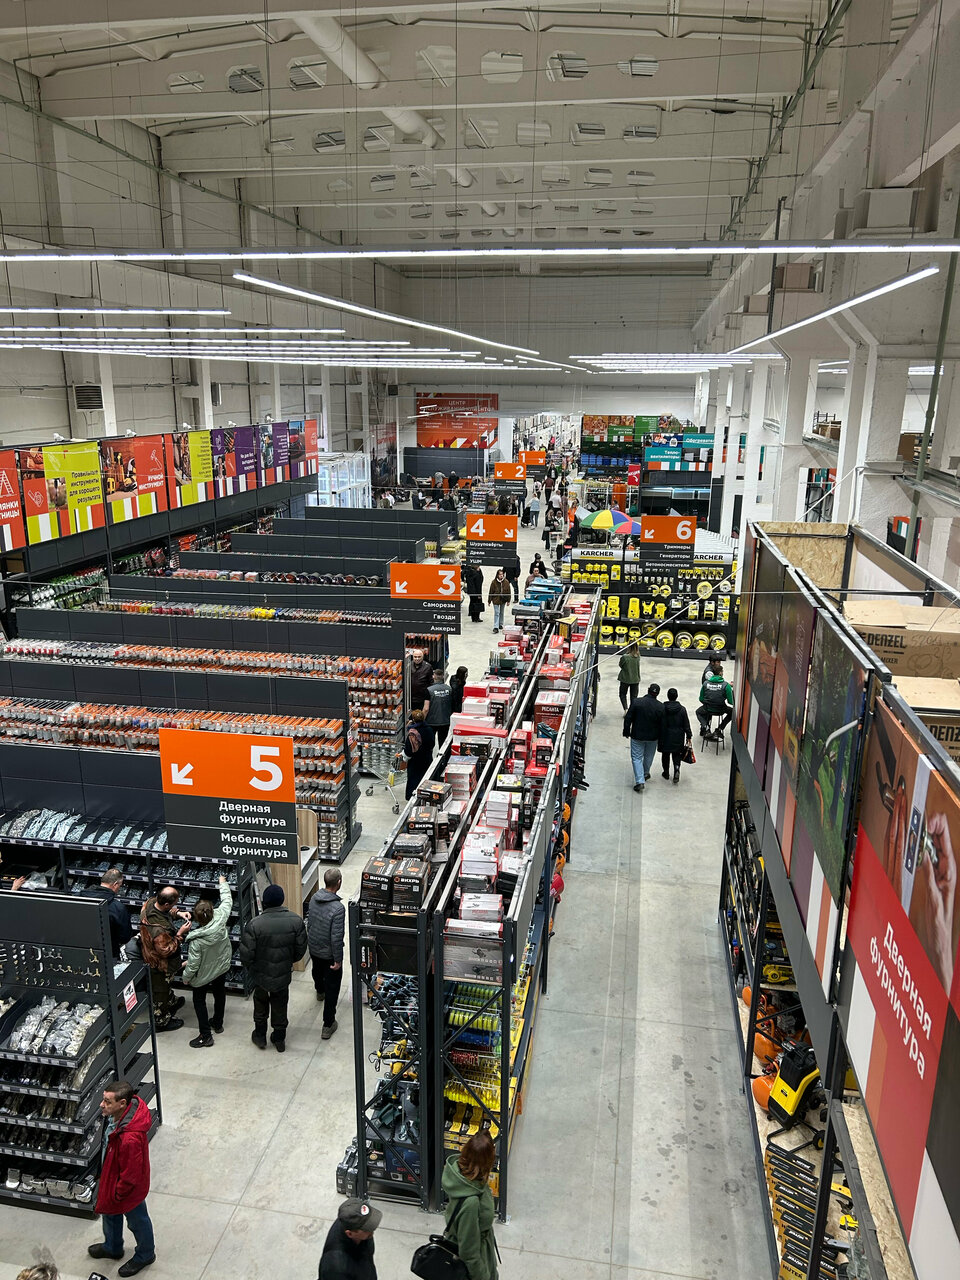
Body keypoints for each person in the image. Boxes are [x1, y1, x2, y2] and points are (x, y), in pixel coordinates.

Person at [88, 1080, 155, 1277]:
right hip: (112, 1177)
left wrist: (119, 1193)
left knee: (137, 1220)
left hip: (128, 1188)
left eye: (108, 1102)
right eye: (103, 1099)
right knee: (109, 1214)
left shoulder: (130, 1138)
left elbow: (131, 1174)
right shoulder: (115, 1117)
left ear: (122, 1103)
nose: (102, 1105)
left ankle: (146, 1254)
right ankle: (112, 1247)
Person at [238, 884, 307, 1053]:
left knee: (260, 1003)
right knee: (280, 1004)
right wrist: (287, 961)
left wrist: (253, 968)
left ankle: (260, 1036)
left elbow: (246, 954)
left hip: (261, 974)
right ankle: (279, 1038)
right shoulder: (295, 921)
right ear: (282, 900)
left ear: (265, 901)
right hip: (282, 973)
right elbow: (301, 950)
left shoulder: (255, 924)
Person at [182, 876, 232, 1048]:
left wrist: (186, 977)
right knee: (219, 992)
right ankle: (218, 1023)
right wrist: (223, 882)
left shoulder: (197, 941)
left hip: (203, 974)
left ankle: (205, 1035)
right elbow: (227, 900)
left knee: (199, 1000)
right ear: (212, 910)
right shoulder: (221, 916)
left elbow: (193, 964)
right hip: (221, 965)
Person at [441, 1130, 499, 1280]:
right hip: (476, 1265)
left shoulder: (467, 1180)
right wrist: (483, 1276)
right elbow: (469, 1252)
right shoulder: (471, 1202)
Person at [139, 887, 190, 1032]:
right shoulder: (159, 930)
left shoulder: (150, 903)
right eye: (174, 903)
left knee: (166, 985)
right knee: (160, 990)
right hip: (159, 963)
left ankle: (171, 1001)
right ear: (167, 904)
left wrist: (178, 913)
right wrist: (180, 934)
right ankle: (161, 1021)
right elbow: (166, 950)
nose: (175, 905)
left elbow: (164, 912)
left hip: (152, 953)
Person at [307, 868, 345, 1041]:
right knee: (333, 988)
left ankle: (319, 990)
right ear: (339, 883)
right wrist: (338, 959)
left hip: (314, 948)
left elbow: (310, 923)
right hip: (329, 954)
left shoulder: (314, 898)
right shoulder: (338, 908)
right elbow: (336, 937)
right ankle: (328, 1025)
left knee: (316, 971)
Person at [319, 1199, 381, 1280]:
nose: (372, 1230)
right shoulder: (336, 1268)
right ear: (350, 1234)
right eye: (367, 1229)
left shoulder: (350, 1221)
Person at [81, 867, 133, 959]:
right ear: (115, 884)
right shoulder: (118, 908)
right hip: (108, 954)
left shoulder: (77, 898)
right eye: (120, 886)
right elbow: (125, 937)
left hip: (80, 949)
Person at [623, 683, 664, 793]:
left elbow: (628, 717)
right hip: (653, 737)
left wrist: (626, 730)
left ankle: (640, 781)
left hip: (637, 735)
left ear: (648, 690)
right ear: (658, 693)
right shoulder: (660, 707)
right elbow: (663, 725)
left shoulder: (637, 702)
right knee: (649, 756)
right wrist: (661, 738)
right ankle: (645, 772)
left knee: (636, 757)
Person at [659, 688, 693, 785]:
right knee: (676, 754)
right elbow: (686, 724)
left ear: (668, 696)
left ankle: (666, 772)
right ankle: (676, 769)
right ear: (676, 696)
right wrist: (689, 736)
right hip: (678, 736)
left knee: (665, 755)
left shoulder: (662, 708)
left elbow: (658, 722)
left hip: (665, 735)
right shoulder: (682, 709)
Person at [402, 709, 435, 799]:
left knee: (414, 780)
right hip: (427, 759)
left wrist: (404, 756)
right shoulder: (429, 729)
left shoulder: (412, 733)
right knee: (425, 778)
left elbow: (409, 750)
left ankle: (412, 798)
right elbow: (432, 744)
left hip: (415, 761)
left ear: (413, 720)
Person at [698, 670, 735, 740]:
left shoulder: (705, 683)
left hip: (708, 709)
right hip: (721, 709)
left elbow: (701, 699)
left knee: (698, 712)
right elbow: (731, 702)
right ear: (720, 673)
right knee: (732, 712)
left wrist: (708, 703)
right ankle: (719, 729)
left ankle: (706, 728)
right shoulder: (726, 685)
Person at [424, 667, 453, 746]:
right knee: (443, 743)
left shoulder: (429, 690)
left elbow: (426, 708)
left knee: (429, 744)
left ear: (433, 676)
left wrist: (421, 720)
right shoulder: (449, 689)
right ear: (443, 676)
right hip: (445, 721)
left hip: (431, 721)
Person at [617, 642, 641, 711]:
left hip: (625, 678)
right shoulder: (638, 656)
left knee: (622, 694)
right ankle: (631, 710)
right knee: (634, 697)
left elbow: (620, 665)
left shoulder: (625, 657)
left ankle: (625, 709)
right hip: (635, 679)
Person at [488, 568, 511, 633]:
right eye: (500, 574)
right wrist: (489, 600)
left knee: (501, 612)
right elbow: (491, 591)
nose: (501, 576)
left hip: (503, 600)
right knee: (496, 613)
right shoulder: (494, 582)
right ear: (497, 575)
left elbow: (509, 592)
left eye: (502, 574)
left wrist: (508, 600)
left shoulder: (506, 582)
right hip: (496, 600)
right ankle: (496, 627)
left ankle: (500, 624)